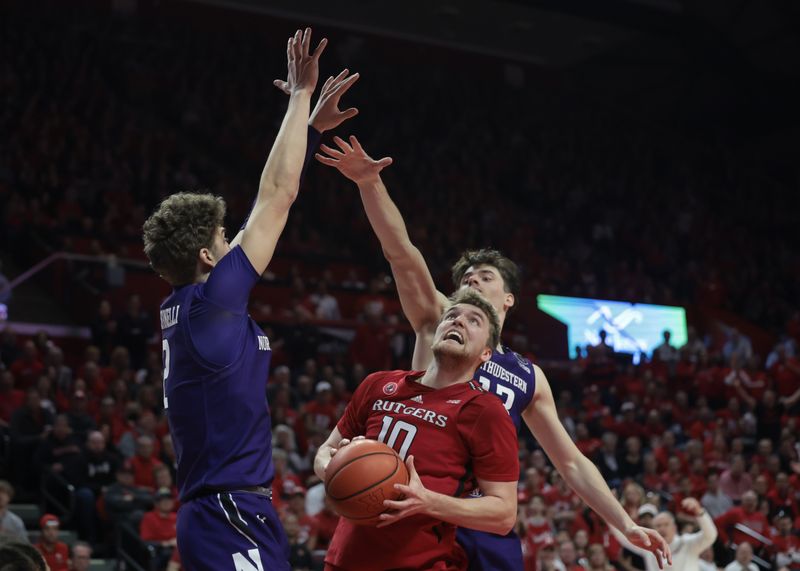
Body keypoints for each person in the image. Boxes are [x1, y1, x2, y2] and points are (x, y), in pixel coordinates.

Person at [316, 136, 671, 569]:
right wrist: (370, 184)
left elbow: (572, 463)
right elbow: (400, 252)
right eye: (465, 278)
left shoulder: (527, 375)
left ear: (508, 300)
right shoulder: (437, 321)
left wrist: (623, 523)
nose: (471, 282)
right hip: (418, 500)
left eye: (484, 277)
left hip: (479, 515)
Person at [142, 28, 356, 571]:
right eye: (224, 241)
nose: (236, 241)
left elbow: (264, 212)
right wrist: (301, 98)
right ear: (210, 261)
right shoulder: (213, 305)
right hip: (225, 513)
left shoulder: (192, 306)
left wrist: (305, 131)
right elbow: (275, 198)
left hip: (230, 510)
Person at [314, 290, 520, 570]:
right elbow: (324, 452)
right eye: (451, 316)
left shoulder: (485, 410)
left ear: (486, 353)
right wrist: (340, 467)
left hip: (419, 562)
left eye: (473, 321)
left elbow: (504, 515)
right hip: (345, 559)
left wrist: (428, 502)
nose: (458, 322)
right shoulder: (378, 384)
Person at [611, 498, 717, 570]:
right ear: (653, 529)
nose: (662, 528)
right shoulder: (649, 546)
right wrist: (609, 514)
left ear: (674, 527)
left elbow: (710, 536)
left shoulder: (688, 542)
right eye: (658, 526)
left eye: (666, 524)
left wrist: (699, 512)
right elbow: (623, 537)